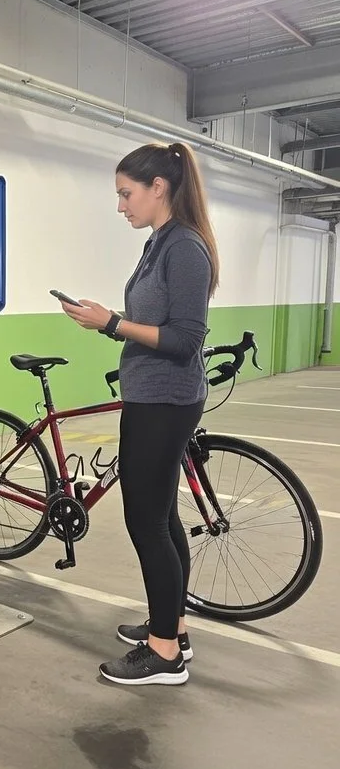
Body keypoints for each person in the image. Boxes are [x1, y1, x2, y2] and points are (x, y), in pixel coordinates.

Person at [61, 141, 219, 687]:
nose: (121, 205)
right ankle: (169, 625)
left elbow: (184, 340)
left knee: (145, 521)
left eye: (127, 194)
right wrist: (108, 318)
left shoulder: (185, 248)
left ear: (160, 189)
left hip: (167, 399)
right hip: (152, 395)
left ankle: (164, 655)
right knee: (162, 517)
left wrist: (111, 324)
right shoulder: (160, 243)